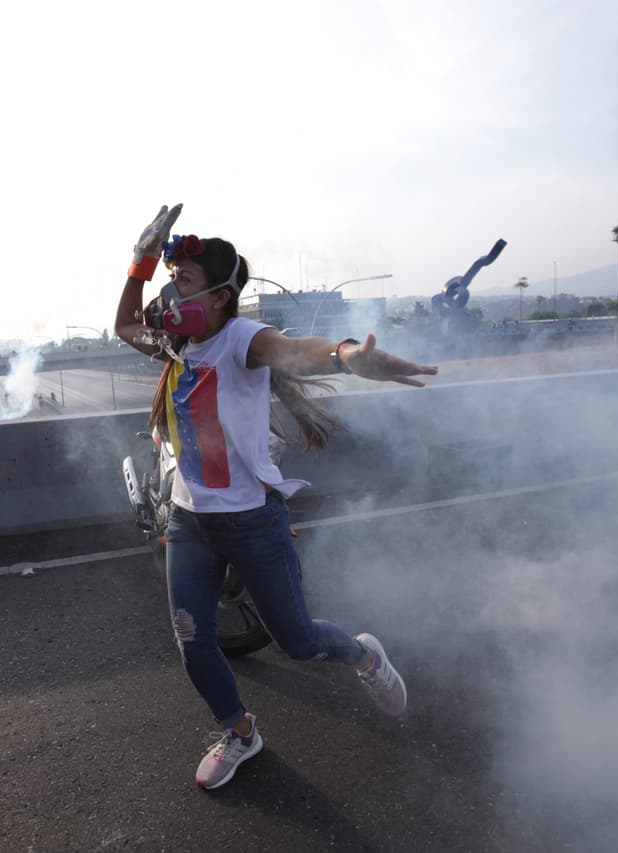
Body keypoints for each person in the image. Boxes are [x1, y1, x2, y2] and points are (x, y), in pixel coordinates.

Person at [114, 204, 438, 791]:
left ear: (218, 296)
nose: (169, 292)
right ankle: (240, 732)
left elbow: (294, 350)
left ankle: (365, 656)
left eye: (182, 282)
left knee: (299, 641)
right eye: (168, 280)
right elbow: (125, 327)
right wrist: (137, 264)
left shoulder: (240, 339)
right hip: (191, 520)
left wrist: (345, 356)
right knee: (191, 635)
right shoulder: (177, 345)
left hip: (250, 522)